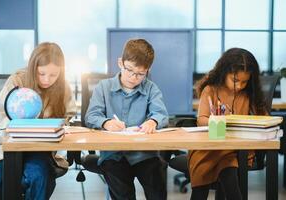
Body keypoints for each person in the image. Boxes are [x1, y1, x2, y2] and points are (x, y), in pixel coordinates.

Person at [0, 42, 76, 200]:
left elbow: (67, 118)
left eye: (53, 75)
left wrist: (60, 127)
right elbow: (2, 115)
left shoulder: (63, 87)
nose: (47, 80)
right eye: (41, 73)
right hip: (7, 147)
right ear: (33, 67)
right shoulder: (17, 81)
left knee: (38, 177)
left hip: (40, 149)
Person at [85, 38, 169, 200]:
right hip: (114, 155)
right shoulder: (104, 87)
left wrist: (153, 121)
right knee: (123, 193)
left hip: (144, 154)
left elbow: (161, 114)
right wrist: (106, 123)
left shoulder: (151, 88)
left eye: (140, 74)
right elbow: (91, 116)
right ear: (120, 63)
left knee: (157, 188)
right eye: (129, 70)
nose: (133, 77)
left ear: (147, 71)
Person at [188, 48, 267, 200]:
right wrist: (220, 121)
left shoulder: (248, 94)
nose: (239, 86)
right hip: (208, 149)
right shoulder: (210, 90)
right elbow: (202, 120)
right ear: (224, 72)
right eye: (235, 80)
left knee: (230, 177)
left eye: (245, 82)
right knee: (202, 182)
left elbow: (264, 118)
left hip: (231, 150)